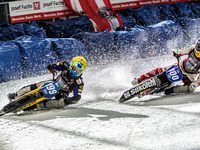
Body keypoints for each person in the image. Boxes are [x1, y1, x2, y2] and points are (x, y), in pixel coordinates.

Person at [7, 56, 87, 110]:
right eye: (74, 69)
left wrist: (70, 100)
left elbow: (77, 97)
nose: (74, 72)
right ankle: (16, 94)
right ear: (71, 66)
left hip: (62, 93)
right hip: (54, 83)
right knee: (39, 84)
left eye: (78, 71)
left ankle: (40, 105)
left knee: (61, 103)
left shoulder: (79, 83)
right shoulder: (64, 65)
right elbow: (53, 65)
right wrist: (52, 67)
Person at [131, 39, 200, 95]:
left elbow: (199, 80)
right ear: (196, 46)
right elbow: (182, 51)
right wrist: (176, 52)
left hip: (190, 75)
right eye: (199, 47)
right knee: (163, 69)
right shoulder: (192, 48)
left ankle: (172, 90)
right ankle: (140, 79)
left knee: (189, 89)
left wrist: (195, 85)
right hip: (180, 66)